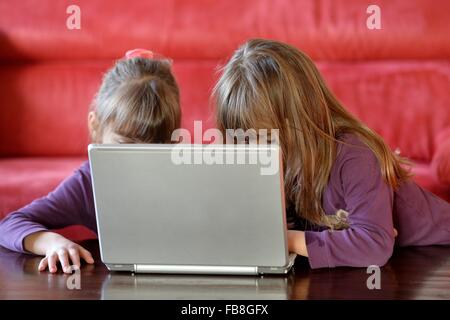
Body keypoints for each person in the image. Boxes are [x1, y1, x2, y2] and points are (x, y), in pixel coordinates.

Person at [213, 39, 450, 268]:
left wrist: (287, 240)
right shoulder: (281, 158)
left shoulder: (356, 154)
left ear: (302, 118)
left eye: (265, 138)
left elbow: (373, 246)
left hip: (436, 254)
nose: (256, 151)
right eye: (244, 141)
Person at [0, 49, 181, 273]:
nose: (138, 160)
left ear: (175, 141)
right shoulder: (88, 184)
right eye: (125, 145)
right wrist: (54, 242)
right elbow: (9, 225)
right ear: (95, 127)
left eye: (154, 148)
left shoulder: (182, 173)